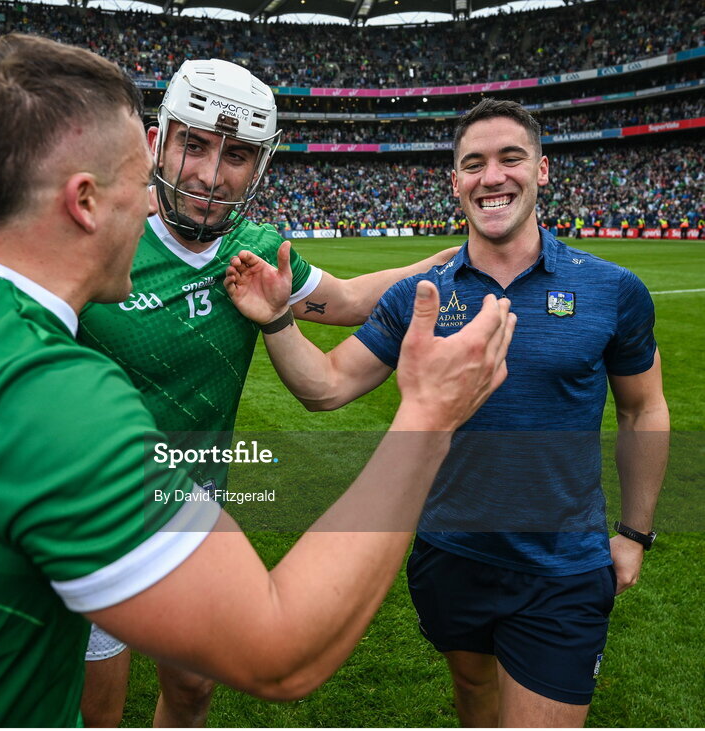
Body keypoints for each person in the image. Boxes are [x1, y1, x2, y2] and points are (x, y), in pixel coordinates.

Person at [0, 33, 514, 728]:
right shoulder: (47, 391)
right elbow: (281, 653)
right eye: (139, 179)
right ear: (85, 199)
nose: (159, 197)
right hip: (99, 511)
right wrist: (426, 414)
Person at [223, 98, 669, 727]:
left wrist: (635, 533)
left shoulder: (613, 290)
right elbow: (324, 387)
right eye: (474, 164)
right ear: (455, 180)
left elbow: (644, 410)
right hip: (448, 553)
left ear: (542, 170)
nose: (493, 177)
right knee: (473, 699)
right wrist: (277, 320)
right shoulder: (421, 295)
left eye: (511, 159)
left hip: (563, 568)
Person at [77, 58, 458, 727]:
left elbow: (345, 301)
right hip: (87, 511)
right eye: (193, 143)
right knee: (95, 710)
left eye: (237, 154)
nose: (208, 172)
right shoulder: (98, 232)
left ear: (259, 167)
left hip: (187, 512)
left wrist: (457, 256)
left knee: (193, 688)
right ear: (157, 139)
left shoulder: (256, 250)